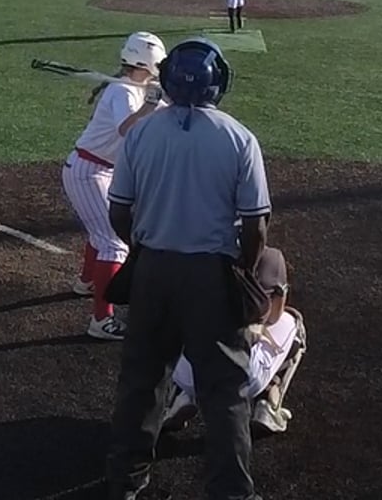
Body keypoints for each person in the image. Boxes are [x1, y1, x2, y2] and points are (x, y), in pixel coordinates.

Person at [104, 38, 272, 500]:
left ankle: (125, 481)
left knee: (141, 381)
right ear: (220, 83)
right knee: (224, 392)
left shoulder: (142, 134)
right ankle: (230, 493)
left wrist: (142, 248)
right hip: (211, 276)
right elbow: (256, 225)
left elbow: (119, 211)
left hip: (153, 271)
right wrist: (242, 268)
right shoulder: (239, 138)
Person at [62, 32, 168, 340]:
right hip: (89, 171)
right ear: (148, 63)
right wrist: (149, 106)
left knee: (101, 235)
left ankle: (86, 282)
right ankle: (101, 320)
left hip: (100, 170)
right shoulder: (122, 92)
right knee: (114, 243)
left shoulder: (139, 88)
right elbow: (126, 130)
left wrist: (166, 98)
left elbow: (166, 111)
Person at [162, 246, 307, 437]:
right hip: (242, 377)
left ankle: (178, 396)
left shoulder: (191, 250)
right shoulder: (270, 257)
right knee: (294, 322)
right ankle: (268, 403)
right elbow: (274, 316)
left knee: (177, 325)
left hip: (188, 373)